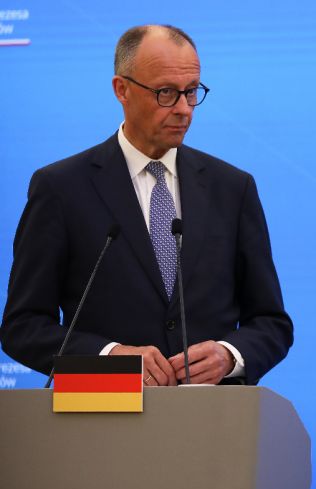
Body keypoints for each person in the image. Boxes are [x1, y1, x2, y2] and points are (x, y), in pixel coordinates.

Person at [0, 24, 292, 386]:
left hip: (211, 424)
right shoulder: (61, 188)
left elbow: (271, 323)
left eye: (191, 92)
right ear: (122, 89)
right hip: (102, 419)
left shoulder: (232, 188)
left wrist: (229, 355)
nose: (184, 109)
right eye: (166, 93)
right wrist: (108, 357)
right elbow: (22, 326)